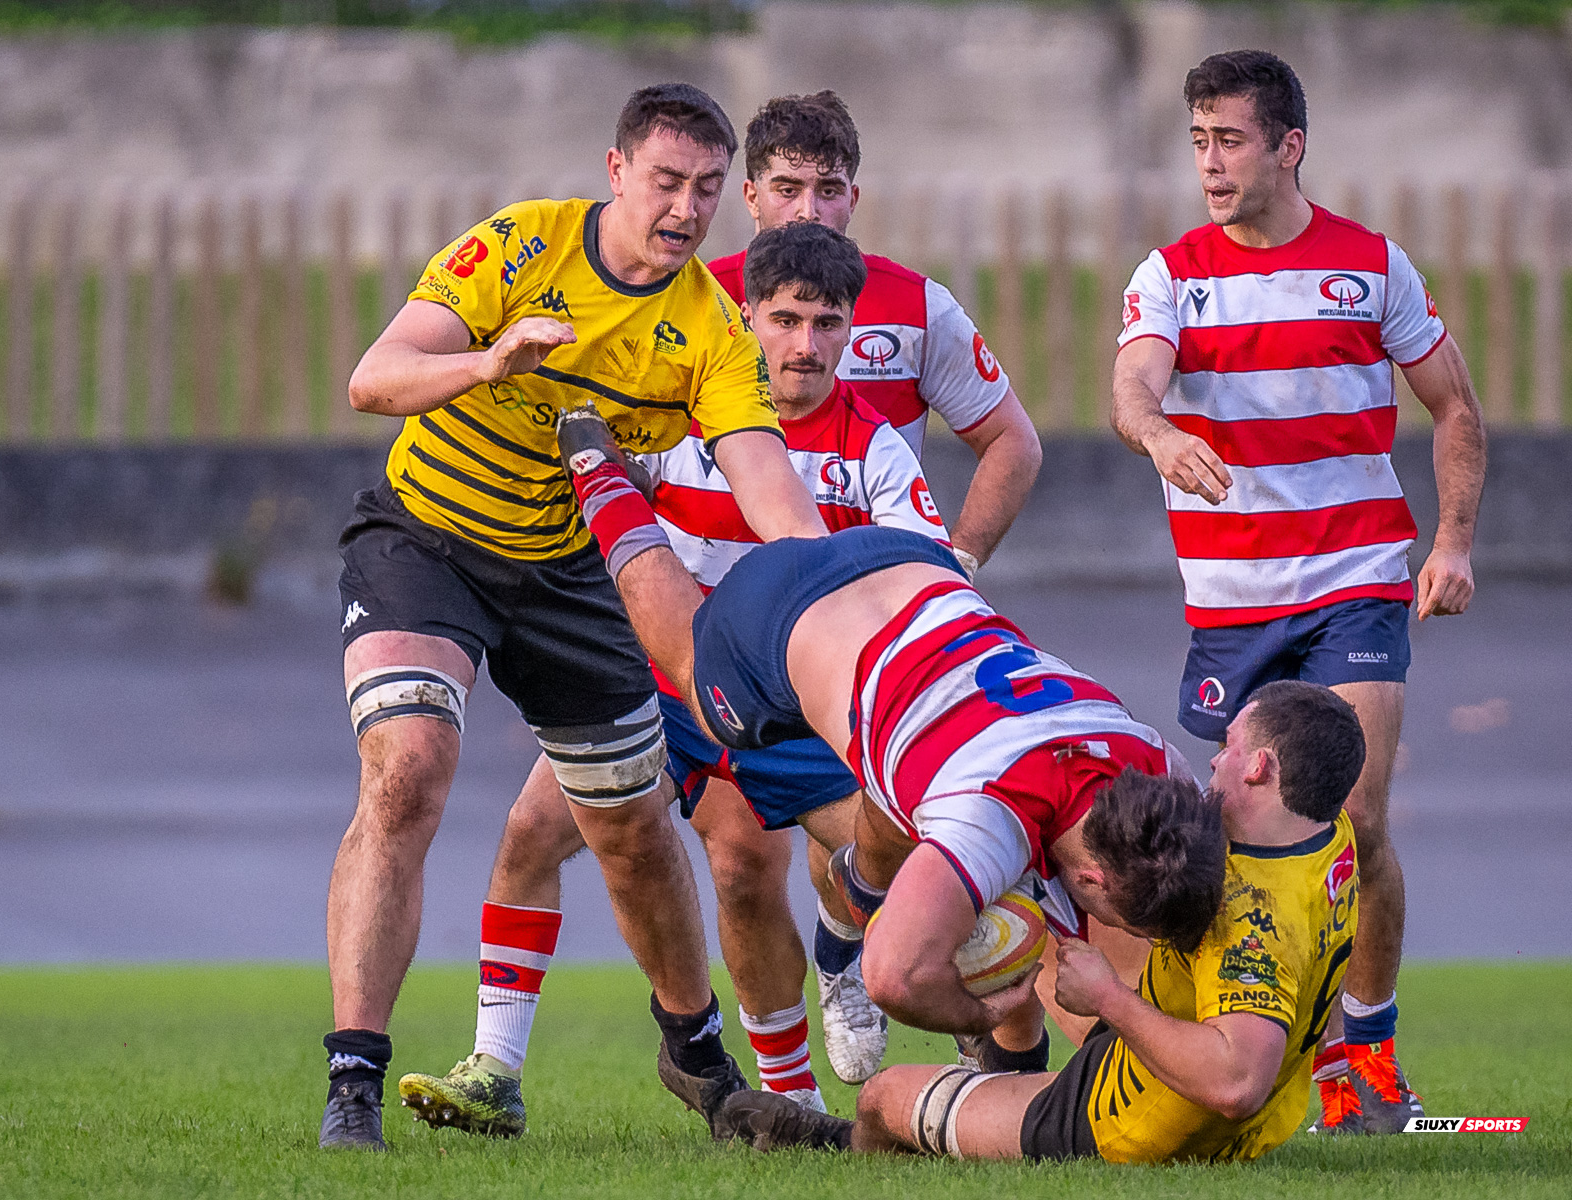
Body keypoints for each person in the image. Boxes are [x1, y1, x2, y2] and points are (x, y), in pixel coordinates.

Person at [318, 82, 830, 1150]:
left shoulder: (708, 330)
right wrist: (488, 362)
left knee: (637, 833)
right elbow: (375, 377)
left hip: (564, 573)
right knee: (407, 768)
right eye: (664, 182)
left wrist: (832, 589)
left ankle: (693, 1054)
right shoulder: (520, 246)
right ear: (615, 172)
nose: (684, 209)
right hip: (425, 539)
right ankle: (353, 1083)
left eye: (704, 190)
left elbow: (765, 482)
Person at [396, 222, 949, 1136]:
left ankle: (917, 1008)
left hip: (783, 705)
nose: (805, 345)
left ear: (851, 331)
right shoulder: (680, 421)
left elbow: (920, 586)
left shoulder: (876, 452)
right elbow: (590, 505)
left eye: (826, 323)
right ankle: (496, 1066)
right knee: (531, 834)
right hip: (660, 681)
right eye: (784, 320)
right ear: (746, 319)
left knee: (914, 860)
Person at [550, 416, 1227, 1105]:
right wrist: (980, 1012)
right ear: (1091, 875)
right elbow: (895, 978)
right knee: (693, 670)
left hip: (909, 570)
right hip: (785, 618)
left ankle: (861, 884)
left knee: (898, 779)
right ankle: (600, 478)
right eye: (1114, 916)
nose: (1102, 924)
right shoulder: (987, 819)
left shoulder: (1148, 756)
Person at [1108, 49, 1485, 1133]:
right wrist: (1159, 428)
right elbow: (1132, 383)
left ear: (1288, 145)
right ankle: (1224, 1047)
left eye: (1229, 140)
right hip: (1230, 603)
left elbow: (1455, 409)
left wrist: (1451, 542)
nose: (1211, 164)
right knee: (1223, 828)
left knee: (1356, 817)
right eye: (1197, 143)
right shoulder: (1171, 273)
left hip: (1356, 581)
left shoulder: (1370, 267)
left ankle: (1363, 1068)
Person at [704, 88, 1045, 1084]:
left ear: (857, 195)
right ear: (751, 195)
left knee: (909, 829)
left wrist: (954, 573)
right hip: (719, 617)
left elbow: (1010, 445)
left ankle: (891, 985)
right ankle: (779, 1074)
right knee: (732, 856)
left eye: (830, 187)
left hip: (869, 619)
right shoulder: (692, 298)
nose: (810, 207)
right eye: (788, 187)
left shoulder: (916, 304)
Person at [724, 681, 1363, 1166]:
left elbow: (1236, 1081)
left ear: (1261, 770)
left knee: (882, 1098)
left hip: (1134, 1116)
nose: (1215, 762)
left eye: (1229, 750)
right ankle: (991, 1094)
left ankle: (841, 1146)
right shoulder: (1328, 837)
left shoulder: (1249, 914)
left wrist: (1109, 1000)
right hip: (1198, 1091)